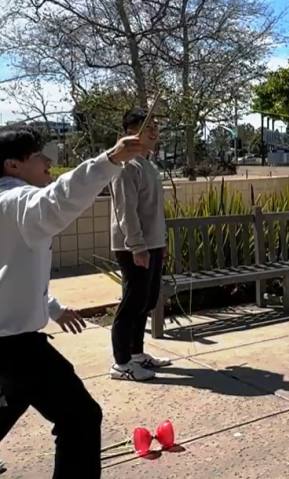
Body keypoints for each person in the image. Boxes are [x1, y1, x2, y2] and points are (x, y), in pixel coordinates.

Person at [0, 127, 143, 478]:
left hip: (12, 343)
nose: (48, 161)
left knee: (15, 399)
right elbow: (56, 203)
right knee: (80, 417)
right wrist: (111, 159)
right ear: (13, 165)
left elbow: (12, 274)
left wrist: (52, 308)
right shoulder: (17, 201)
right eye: (38, 155)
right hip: (15, 345)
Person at [109, 108, 171, 381]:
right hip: (132, 246)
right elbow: (126, 212)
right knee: (132, 303)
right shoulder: (126, 167)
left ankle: (137, 355)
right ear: (130, 132)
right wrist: (138, 246)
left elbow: (153, 211)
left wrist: (160, 242)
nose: (154, 131)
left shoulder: (148, 165)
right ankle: (121, 364)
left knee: (147, 301)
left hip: (152, 244)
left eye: (156, 126)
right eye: (148, 127)